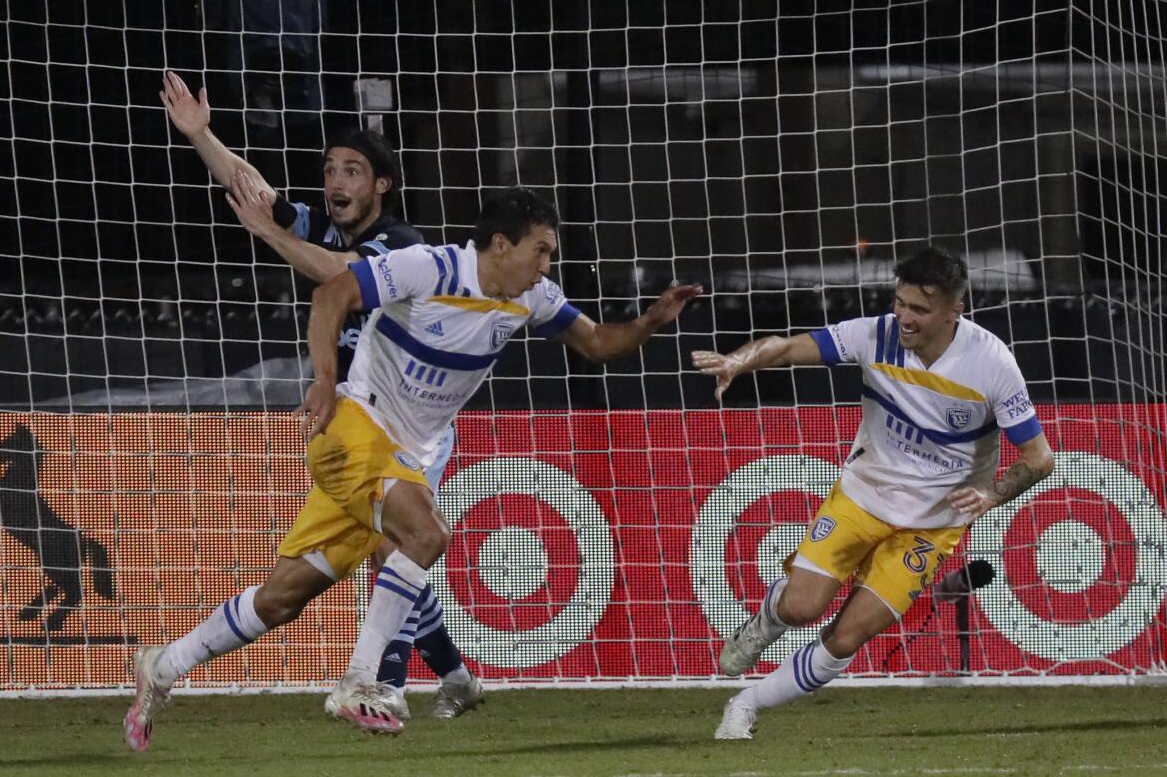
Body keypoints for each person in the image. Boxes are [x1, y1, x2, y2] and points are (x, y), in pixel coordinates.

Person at [124, 184, 702, 746]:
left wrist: (650, 322)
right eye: (541, 250)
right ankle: (359, 680)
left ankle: (164, 664)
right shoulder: (429, 267)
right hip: (354, 427)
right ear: (500, 244)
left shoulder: (531, 297)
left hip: (397, 453)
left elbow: (598, 343)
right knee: (426, 533)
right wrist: (325, 383)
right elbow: (331, 295)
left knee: (281, 598)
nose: (547, 265)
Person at [126, 74, 476, 751]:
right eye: (329, 170)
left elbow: (330, 272)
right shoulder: (338, 223)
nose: (335, 181)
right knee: (395, 547)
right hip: (357, 428)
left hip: (397, 428)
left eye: (353, 170)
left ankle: (173, 667)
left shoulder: (401, 245)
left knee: (321, 578)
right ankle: (387, 681)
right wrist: (201, 135)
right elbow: (260, 193)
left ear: (383, 185)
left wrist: (266, 233)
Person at [691, 247, 1054, 740]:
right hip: (862, 498)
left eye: (919, 310)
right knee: (801, 609)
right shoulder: (875, 333)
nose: (904, 317)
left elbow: (1039, 458)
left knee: (847, 637)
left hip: (932, 524)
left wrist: (993, 495)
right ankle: (764, 624)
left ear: (954, 311)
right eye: (900, 302)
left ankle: (745, 704)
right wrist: (739, 360)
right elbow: (786, 345)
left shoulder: (992, 364)